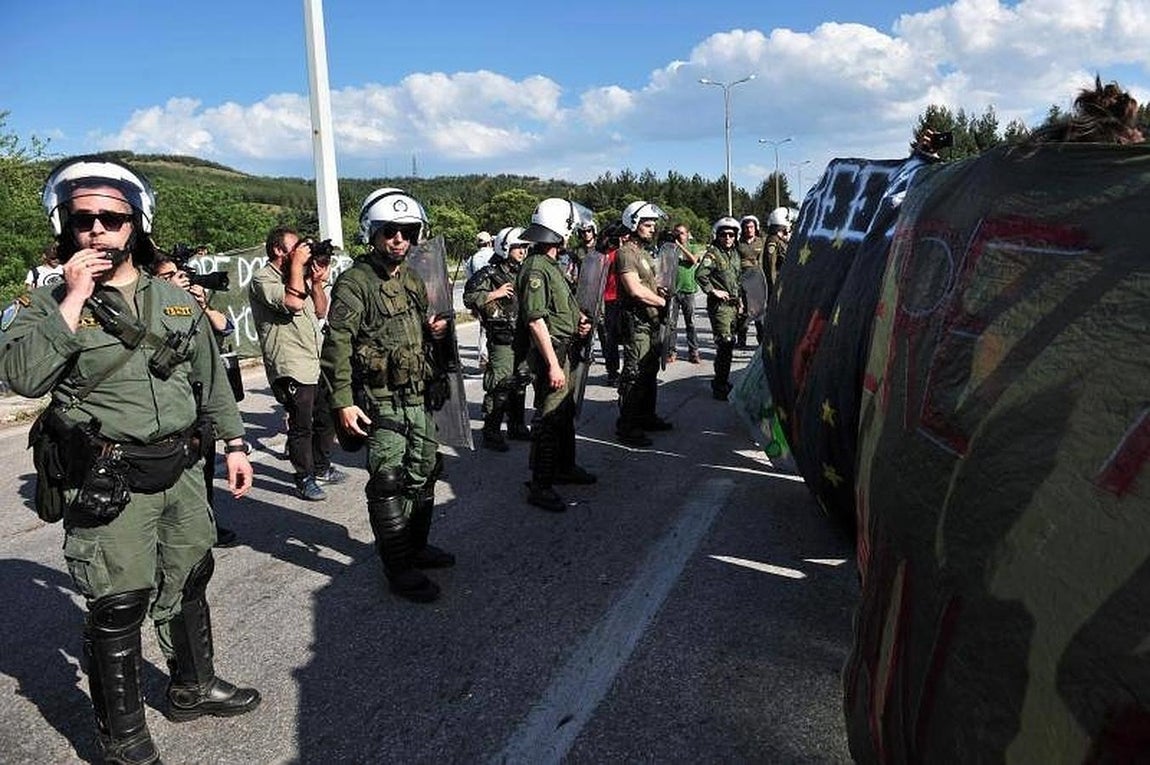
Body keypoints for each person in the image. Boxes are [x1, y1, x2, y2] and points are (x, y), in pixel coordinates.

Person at [0, 155, 259, 764]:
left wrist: (235, 443)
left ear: (134, 226)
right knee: (119, 603)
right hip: (109, 477)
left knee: (190, 575)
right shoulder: (43, 306)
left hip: (182, 469)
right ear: (65, 225)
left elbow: (211, 381)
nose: (96, 230)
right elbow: (23, 378)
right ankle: (122, 737)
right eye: (82, 217)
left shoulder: (174, 299)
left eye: (111, 219)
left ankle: (192, 687)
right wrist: (75, 295)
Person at [320, 187, 455, 603]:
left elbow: (419, 329)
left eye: (407, 232)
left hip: (416, 395)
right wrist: (343, 401)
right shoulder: (355, 282)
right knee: (388, 479)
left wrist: (434, 331)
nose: (399, 239)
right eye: (390, 231)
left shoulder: (413, 280)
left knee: (424, 470)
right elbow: (337, 343)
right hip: (380, 399)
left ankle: (414, 546)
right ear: (372, 233)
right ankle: (398, 565)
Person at [249, 226, 345, 501]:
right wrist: (299, 267)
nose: (303, 251)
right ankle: (304, 477)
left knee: (326, 417)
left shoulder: (300, 276)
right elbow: (291, 302)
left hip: (314, 359)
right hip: (290, 362)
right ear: (280, 250)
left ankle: (322, 467)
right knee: (302, 425)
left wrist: (315, 282)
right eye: (297, 247)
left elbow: (320, 310)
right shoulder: (262, 279)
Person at [153, 251, 240, 547]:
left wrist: (199, 304)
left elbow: (226, 327)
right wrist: (170, 296)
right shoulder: (148, 308)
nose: (177, 281)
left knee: (202, 469)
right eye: (166, 277)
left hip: (200, 400)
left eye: (177, 276)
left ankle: (207, 524)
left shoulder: (189, 305)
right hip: (170, 405)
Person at [517, 197, 597, 512]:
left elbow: (559, 309)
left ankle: (564, 468)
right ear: (559, 230)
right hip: (551, 355)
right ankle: (540, 484)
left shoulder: (551, 265)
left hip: (565, 349)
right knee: (549, 418)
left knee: (563, 413)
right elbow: (535, 320)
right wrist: (552, 365)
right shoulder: (537, 267)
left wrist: (578, 322)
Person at [463, 226, 533, 451]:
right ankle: (491, 431)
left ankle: (517, 425)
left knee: (521, 380)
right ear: (505, 248)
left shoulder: (525, 270)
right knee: (500, 384)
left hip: (523, 335)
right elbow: (469, 297)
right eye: (517, 247)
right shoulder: (490, 273)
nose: (522, 251)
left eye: (524, 247)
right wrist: (495, 293)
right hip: (502, 338)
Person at [614, 200, 673, 447]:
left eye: (653, 225)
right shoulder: (626, 252)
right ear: (634, 224)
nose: (652, 229)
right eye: (647, 225)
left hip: (650, 322)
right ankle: (627, 425)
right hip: (636, 321)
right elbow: (634, 289)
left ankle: (646, 416)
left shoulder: (644, 253)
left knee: (648, 371)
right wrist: (659, 301)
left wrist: (658, 290)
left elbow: (646, 283)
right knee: (633, 373)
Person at [696, 217, 743, 400]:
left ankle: (722, 380)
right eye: (724, 234)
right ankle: (719, 385)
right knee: (725, 343)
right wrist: (712, 291)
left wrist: (740, 302)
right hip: (720, 307)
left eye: (731, 234)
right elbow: (700, 275)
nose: (728, 238)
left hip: (733, 305)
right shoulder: (713, 254)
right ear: (718, 236)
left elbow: (737, 280)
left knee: (729, 345)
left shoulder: (735, 254)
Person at [597, 223, 627, 385]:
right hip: (609, 300)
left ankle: (627, 370)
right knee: (612, 339)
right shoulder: (605, 255)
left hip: (624, 298)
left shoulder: (623, 253)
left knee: (627, 336)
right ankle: (613, 372)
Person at [669, 223, 702, 364]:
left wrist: (680, 246)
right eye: (677, 233)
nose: (679, 235)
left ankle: (693, 351)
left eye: (682, 233)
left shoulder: (693, 247)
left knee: (691, 323)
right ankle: (671, 351)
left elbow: (694, 260)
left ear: (687, 234)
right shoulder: (669, 249)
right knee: (671, 324)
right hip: (673, 291)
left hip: (688, 290)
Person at [465, 231, 496, 370]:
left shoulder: (471, 260)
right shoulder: (494, 256)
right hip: (495, 295)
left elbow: (469, 280)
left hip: (478, 298)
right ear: (490, 242)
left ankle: (483, 354)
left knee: (483, 328)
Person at [735, 214, 766, 348]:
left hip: (757, 279)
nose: (749, 229)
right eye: (746, 227)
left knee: (759, 312)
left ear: (756, 228)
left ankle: (762, 340)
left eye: (751, 227)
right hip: (743, 279)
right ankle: (741, 340)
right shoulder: (738, 243)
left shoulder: (761, 242)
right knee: (744, 312)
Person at [763, 207, 792, 299]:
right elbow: (771, 266)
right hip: (778, 284)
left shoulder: (780, 240)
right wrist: (774, 287)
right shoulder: (773, 240)